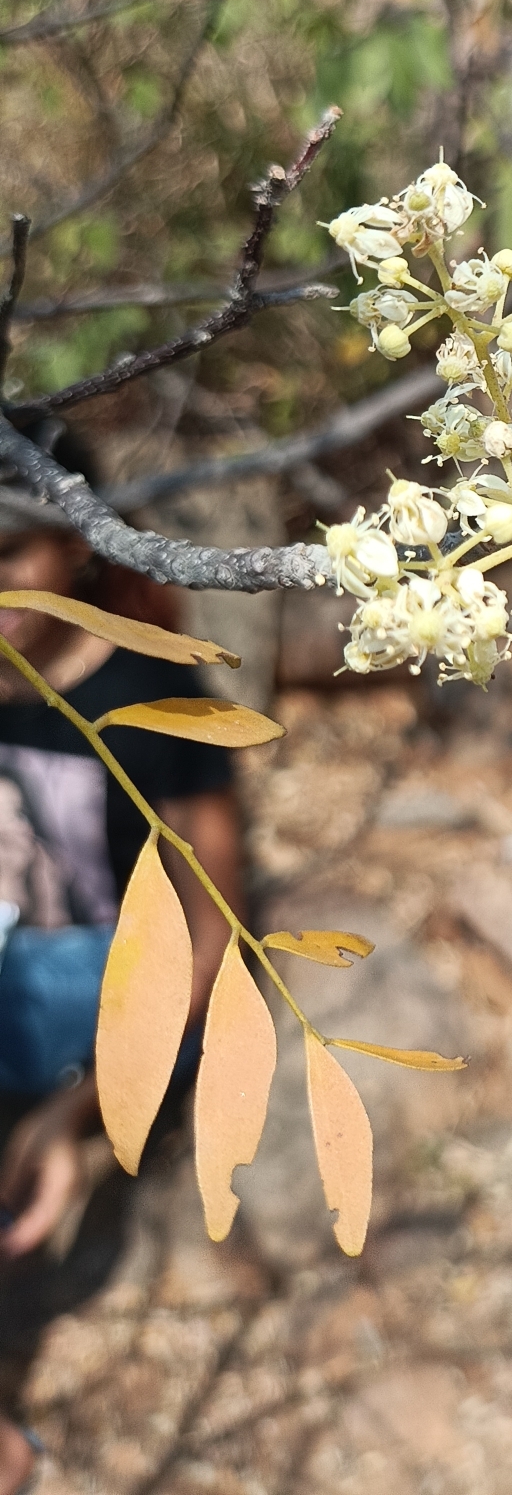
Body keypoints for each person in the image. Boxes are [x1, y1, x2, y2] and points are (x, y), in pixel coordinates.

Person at [0, 430, 246, 1495]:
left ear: (76, 545)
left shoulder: (155, 693)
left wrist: (85, 1106)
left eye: (10, 552)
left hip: (104, 986)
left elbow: (210, 930)